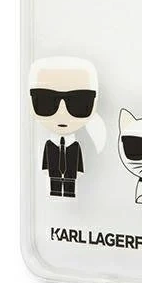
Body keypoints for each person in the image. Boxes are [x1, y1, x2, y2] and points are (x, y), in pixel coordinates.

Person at [28, 57, 104, 197]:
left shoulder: (77, 145)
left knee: (70, 189)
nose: (62, 112)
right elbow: (45, 161)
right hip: (53, 176)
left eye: (79, 102)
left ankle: (68, 192)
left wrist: (79, 171)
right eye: (46, 100)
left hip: (72, 177)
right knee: (55, 189)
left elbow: (79, 161)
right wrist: (45, 170)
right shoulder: (49, 144)